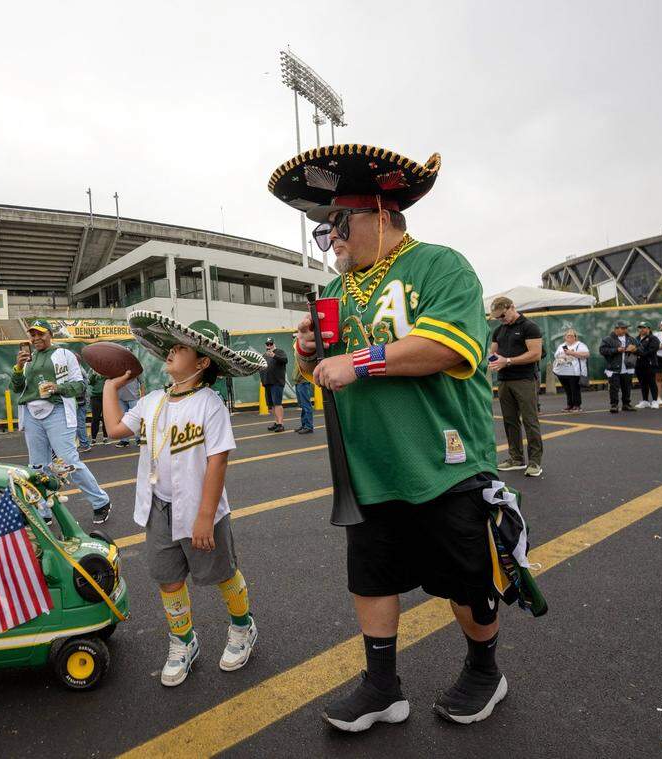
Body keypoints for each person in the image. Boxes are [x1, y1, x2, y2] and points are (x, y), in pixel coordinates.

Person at [275, 145, 534, 730]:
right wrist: (307, 353)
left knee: (467, 581)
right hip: (367, 466)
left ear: (381, 214)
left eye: (336, 226)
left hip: (445, 460)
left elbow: (448, 347)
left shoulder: (441, 265)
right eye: (324, 233)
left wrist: (358, 361)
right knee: (370, 577)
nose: (330, 242)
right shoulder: (336, 292)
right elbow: (318, 376)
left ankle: (484, 670)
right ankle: (382, 685)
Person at [102, 311, 266, 687]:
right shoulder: (153, 401)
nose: (171, 352)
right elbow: (114, 429)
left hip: (201, 509)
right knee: (168, 580)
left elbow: (217, 459)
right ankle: (183, 641)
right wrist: (111, 387)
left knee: (221, 572)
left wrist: (206, 516)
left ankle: (243, 628)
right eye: (172, 347)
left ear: (203, 361)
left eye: (181, 348)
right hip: (157, 508)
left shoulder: (210, 404)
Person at [13, 319, 112, 524]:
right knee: (38, 467)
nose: (36, 338)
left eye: (41, 333)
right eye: (33, 335)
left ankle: (101, 501)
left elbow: (79, 386)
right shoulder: (27, 359)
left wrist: (57, 388)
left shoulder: (64, 354)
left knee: (68, 462)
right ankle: (43, 511)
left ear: (50, 334)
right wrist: (17, 368)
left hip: (57, 409)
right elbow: (16, 388)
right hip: (32, 414)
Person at [489, 296, 544, 477]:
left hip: (524, 379)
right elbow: (493, 353)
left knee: (530, 420)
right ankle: (516, 459)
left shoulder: (529, 327)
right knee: (510, 420)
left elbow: (535, 354)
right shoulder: (499, 330)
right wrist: (493, 361)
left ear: (512, 307)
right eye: (498, 318)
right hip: (504, 380)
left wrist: (509, 361)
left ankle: (535, 462)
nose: (501, 320)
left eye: (503, 315)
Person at [599, 320, 639, 413]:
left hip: (628, 367)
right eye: (624, 328)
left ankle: (626, 404)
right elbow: (602, 350)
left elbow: (640, 349)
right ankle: (614, 405)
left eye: (626, 328)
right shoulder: (607, 339)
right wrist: (616, 350)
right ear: (617, 329)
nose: (626, 330)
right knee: (614, 388)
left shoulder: (631, 339)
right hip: (614, 368)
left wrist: (634, 349)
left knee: (627, 387)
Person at [552, 329, 589, 412]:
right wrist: (562, 357)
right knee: (567, 390)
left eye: (572, 336)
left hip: (574, 372)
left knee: (574, 389)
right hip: (562, 372)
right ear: (565, 337)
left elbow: (586, 354)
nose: (570, 337)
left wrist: (572, 353)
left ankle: (577, 405)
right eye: (568, 336)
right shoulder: (561, 346)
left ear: (575, 337)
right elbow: (556, 356)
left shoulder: (580, 345)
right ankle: (570, 405)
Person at [260, 337, 288, 432]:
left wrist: (274, 356)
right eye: (267, 344)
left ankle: (281, 424)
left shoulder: (279, 352)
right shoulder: (264, 355)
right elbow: (261, 368)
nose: (269, 346)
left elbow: (284, 360)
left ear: (274, 344)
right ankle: (276, 422)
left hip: (276, 382)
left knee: (277, 403)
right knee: (271, 405)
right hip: (267, 383)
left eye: (270, 344)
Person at [633, 322, 661, 409]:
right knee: (642, 383)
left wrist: (636, 351)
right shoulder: (636, 338)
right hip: (638, 364)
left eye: (644, 327)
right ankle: (645, 401)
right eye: (640, 327)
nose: (641, 329)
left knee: (652, 382)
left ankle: (655, 401)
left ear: (649, 329)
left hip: (650, 364)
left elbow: (651, 351)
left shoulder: (653, 338)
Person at [291, 341, 315, 433]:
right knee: (302, 405)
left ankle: (308, 426)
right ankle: (304, 425)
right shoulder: (297, 355)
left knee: (306, 405)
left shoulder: (303, 355)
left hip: (303, 382)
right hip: (298, 382)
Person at [115, 375, 144, 448]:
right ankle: (124, 440)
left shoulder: (134, 367)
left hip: (134, 397)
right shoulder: (116, 368)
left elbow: (142, 382)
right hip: (120, 398)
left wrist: (143, 396)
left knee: (137, 419)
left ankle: (139, 439)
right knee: (122, 420)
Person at [75, 365, 93, 453]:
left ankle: (85, 445)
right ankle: (84, 444)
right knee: (78, 424)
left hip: (80, 403)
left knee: (80, 424)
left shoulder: (79, 374)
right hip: (80, 402)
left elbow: (81, 390)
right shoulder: (80, 373)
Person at [88, 370, 109, 444]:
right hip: (95, 397)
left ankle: (105, 437)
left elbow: (110, 379)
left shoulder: (105, 369)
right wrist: (94, 374)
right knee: (95, 418)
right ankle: (93, 439)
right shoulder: (92, 370)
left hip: (105, 396)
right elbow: (90, 382)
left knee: (105, 418)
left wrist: (104, 373)